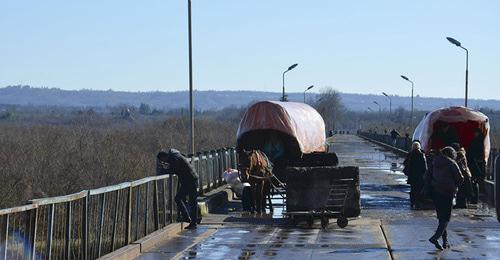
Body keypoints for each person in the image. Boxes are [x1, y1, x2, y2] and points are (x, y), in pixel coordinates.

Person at [428, 147, 464, 250]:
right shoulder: (452, 163)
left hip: (436, 192)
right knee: (446, 218)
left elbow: (427, 175)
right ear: (451, 154)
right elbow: (460, 178)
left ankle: (445, 241)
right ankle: (435, 238)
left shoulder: (435, 161)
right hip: (448, 192)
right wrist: (455, 185)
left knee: (441, 217)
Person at [157, 149, 199, 230]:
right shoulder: (175, 155)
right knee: (185, 199)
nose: (164, 162)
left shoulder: (174, 157)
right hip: (190, 179)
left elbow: (174, 169)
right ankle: (189, 219)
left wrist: (163, 171)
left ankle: (190, 220)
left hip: (189, 180)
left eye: (163, 160)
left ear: (164, 156)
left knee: (185, 199)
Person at [403, 141, 427, 209]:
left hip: (412, 176)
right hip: (420, 176)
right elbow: (425, 167)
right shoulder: (422, 155)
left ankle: (412, 202)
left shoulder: (410, 154)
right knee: (419, 189)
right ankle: (418, 202)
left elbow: (405, 163)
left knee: (413, 189)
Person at [467, 128, 486, 204]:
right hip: (477, 163)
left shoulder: (478, 141)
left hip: (476, 163)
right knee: (475, 182)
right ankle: (474, 199)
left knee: (474, 182)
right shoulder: (480, 140)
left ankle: (474, 200)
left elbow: (476, 151)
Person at [451, 143, 473, 208]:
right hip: (464, 173)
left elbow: (456, 162)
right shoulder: (461, 153)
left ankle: (462, 204)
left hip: (464, 174)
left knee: (462, 189)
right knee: (462, 189)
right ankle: (461, 203)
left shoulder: (459, 154)